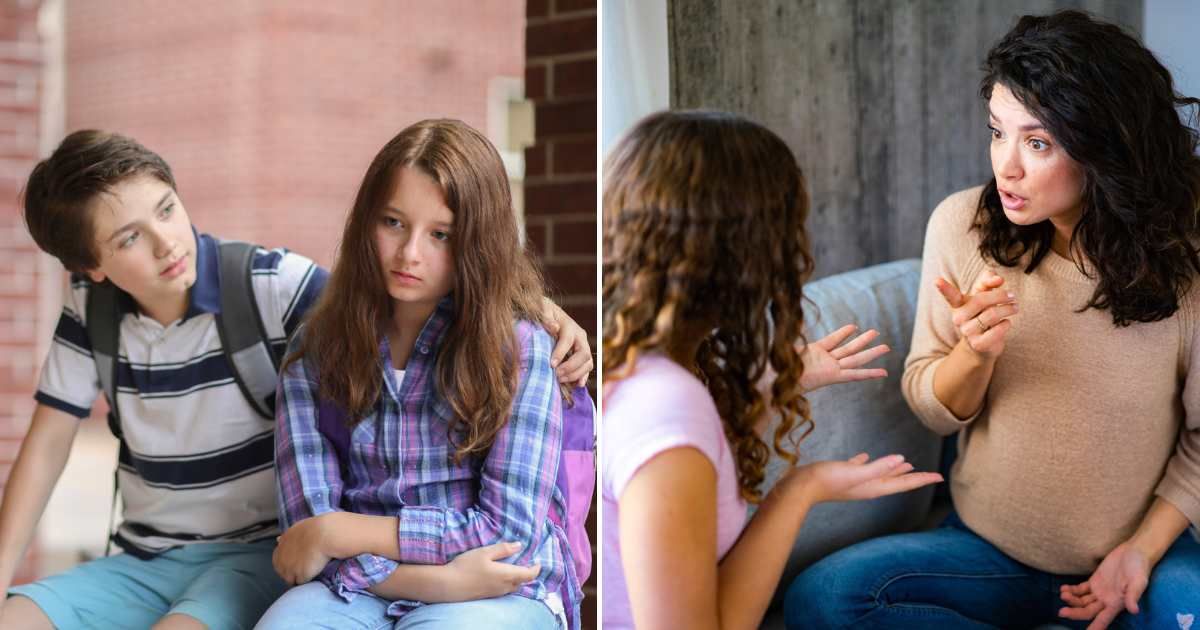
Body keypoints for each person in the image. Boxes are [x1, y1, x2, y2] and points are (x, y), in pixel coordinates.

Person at [0, 129, 592, 630]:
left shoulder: (272, 286)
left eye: (165, 209)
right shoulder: (94, 314)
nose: (165, 243)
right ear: (92, 269)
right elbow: (48, 445)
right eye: (128, 238)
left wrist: (528, 308)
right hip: (166, 553)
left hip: (256, 553)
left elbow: (408, 293)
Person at [785, 10, 1200, 629]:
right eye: (997, 132)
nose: (1005, 166)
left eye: (1037, 143)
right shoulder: (963, 225)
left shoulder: (1184, 258)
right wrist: (973, 355)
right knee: (826, 598)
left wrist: (1138, 552)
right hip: (987, 552)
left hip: (1136, 559)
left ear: (1105, 148)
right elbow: (929, 403)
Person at [601, 110, 942, 630]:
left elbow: (695, 484)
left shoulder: (639, 363)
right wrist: (801, 490)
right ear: (749, 250)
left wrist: (772, 390)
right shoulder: (666, 404)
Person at [254, 119, 581, 630]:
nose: (410, 254)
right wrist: (434, 582)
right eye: (393, 222)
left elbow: (506, 535)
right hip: (363, 589)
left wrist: (341, 532)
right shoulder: (315, 351)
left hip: (500, 591)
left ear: (478, 241)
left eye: (441, 235)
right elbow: (305, 533)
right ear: (366, 222)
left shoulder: (520, 349)